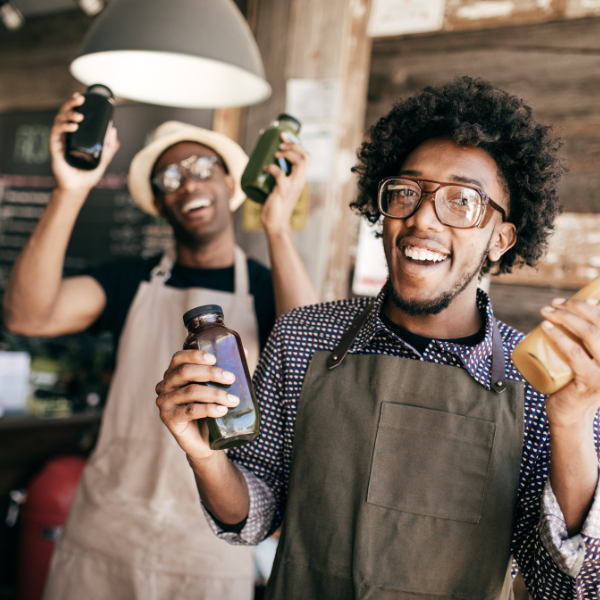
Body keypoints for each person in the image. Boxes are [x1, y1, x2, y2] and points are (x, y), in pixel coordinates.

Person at [156, 77, 600, 599]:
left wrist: (571, 423)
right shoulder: (302, 336)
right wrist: (205, 456)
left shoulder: (546, 388)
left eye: (462, 201)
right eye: (408, 192)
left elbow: (564, 584)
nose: (423, 219)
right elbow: (254, 518)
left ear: (500, 239)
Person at [3, 93, 319, 600]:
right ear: (158, 201)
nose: (188, 182)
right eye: (169, 178)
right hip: (107, 530)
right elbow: (26, 314)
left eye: (200, 166)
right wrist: (70, 189)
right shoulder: (128, 279)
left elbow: (308, 357)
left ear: (228, 180)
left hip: (209, 544)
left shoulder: (264, 286)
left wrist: (277, 227)